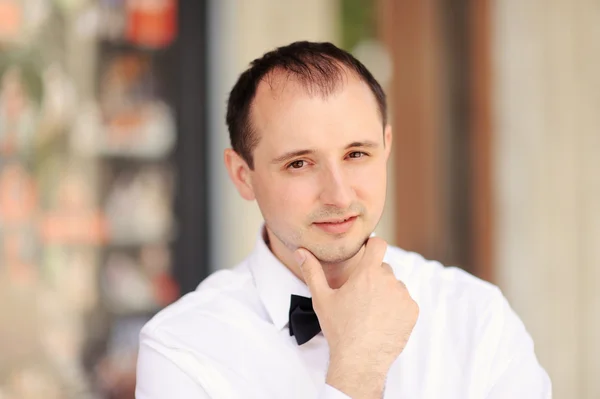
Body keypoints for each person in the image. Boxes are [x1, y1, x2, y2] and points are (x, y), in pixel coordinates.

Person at [135, 41, 551, 399]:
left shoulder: (477, 316)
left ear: (386, 147)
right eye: (299, 163)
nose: (338, 194)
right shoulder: (181, 347)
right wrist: (355, 375)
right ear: (243, 176)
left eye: (356, 154)